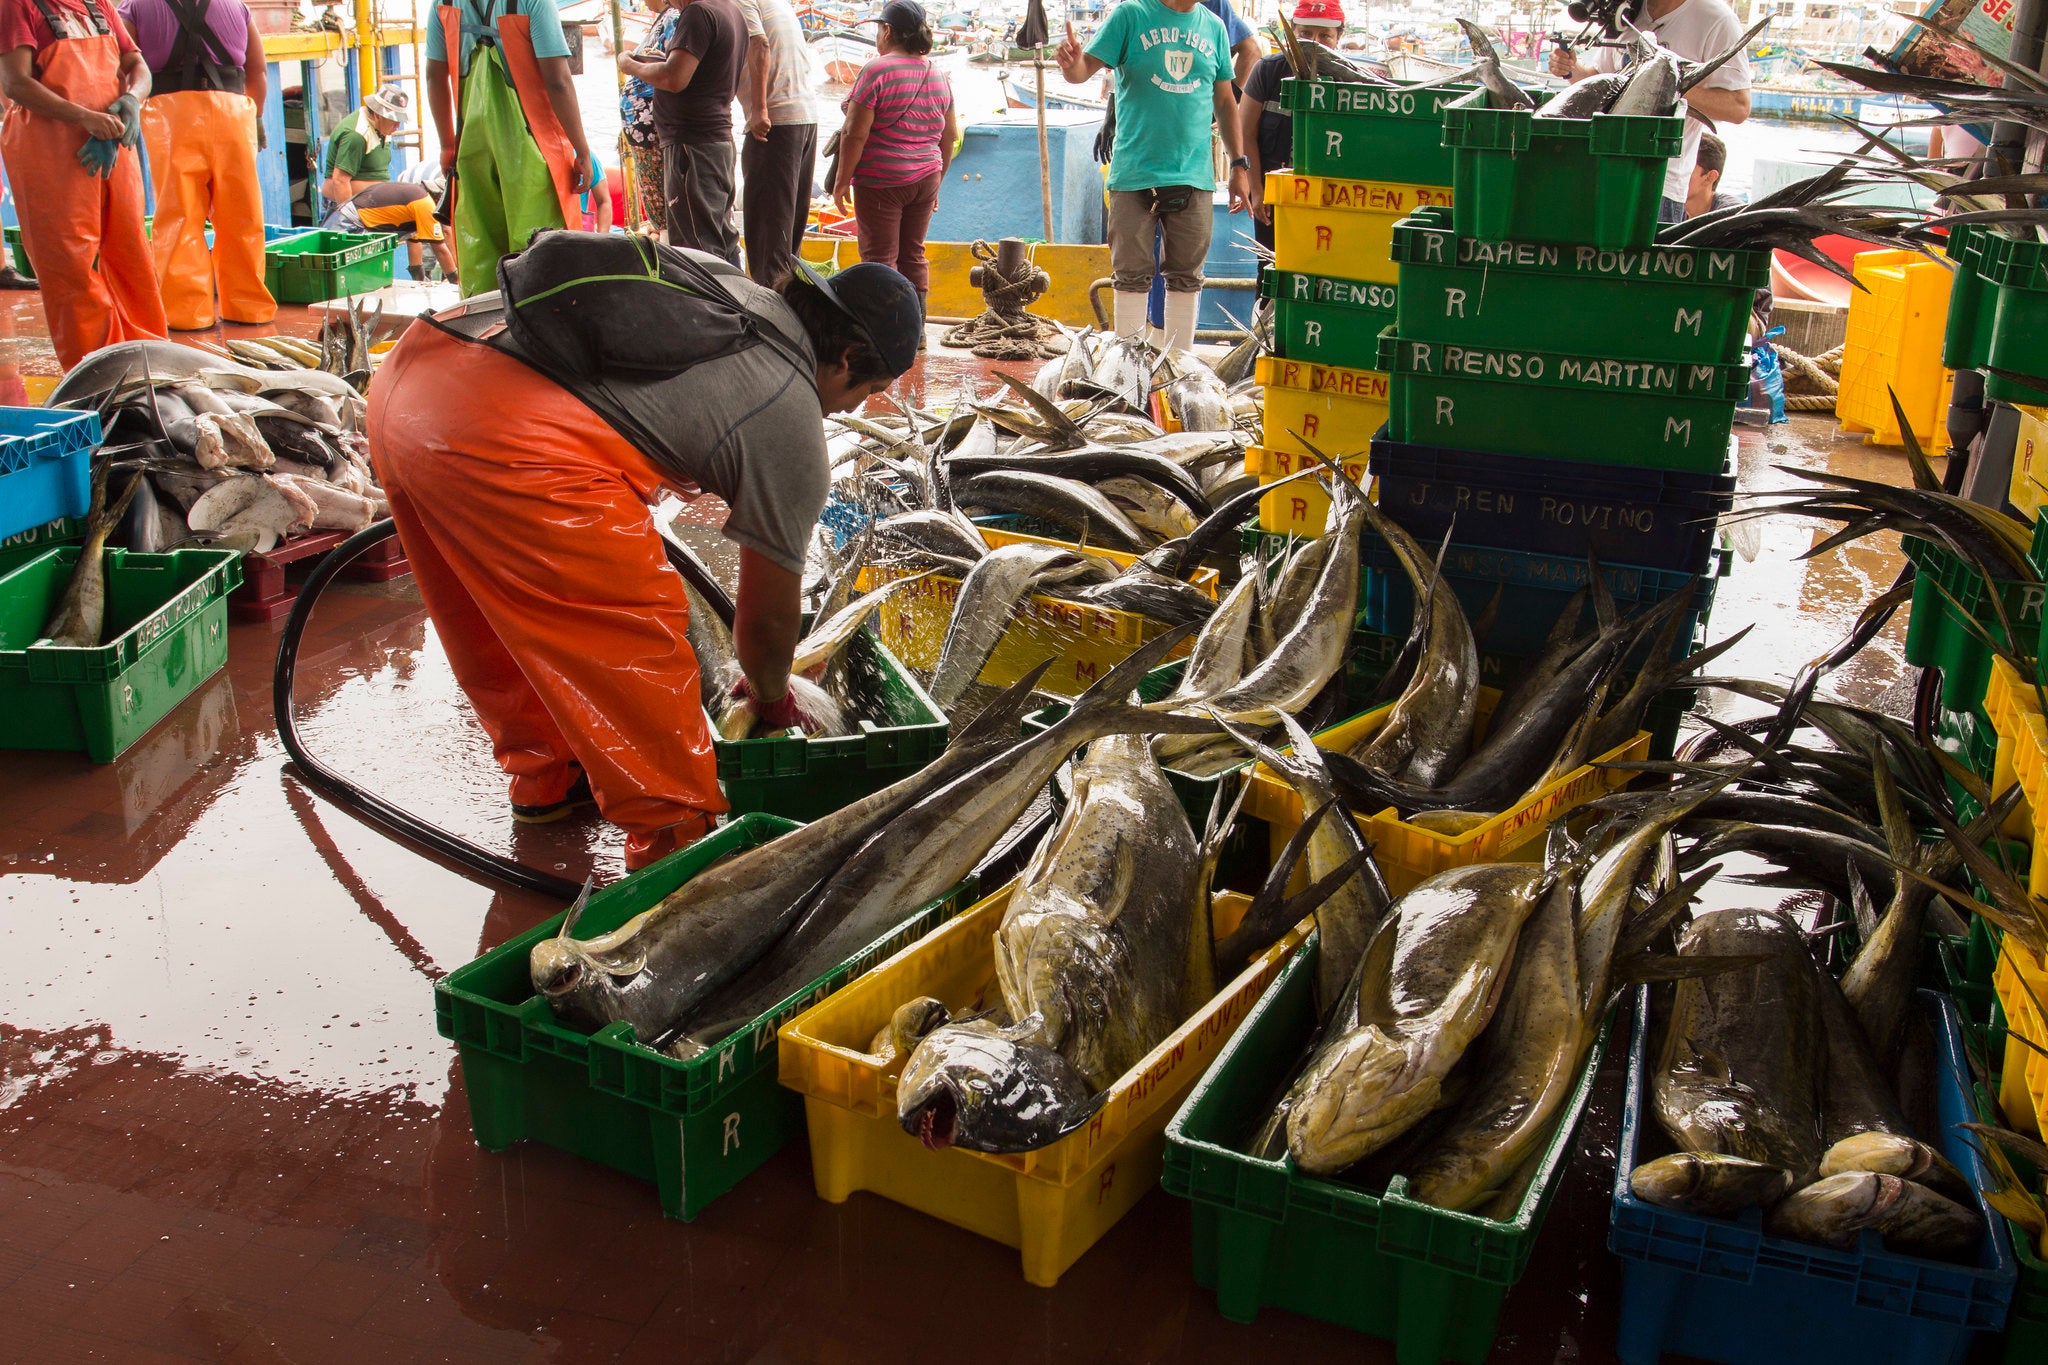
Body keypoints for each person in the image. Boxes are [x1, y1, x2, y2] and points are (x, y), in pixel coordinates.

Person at [368, 248, 921, 869]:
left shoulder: (730, 288)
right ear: (846, 357)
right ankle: (675, 846)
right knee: (632, 636)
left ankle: (548, 780)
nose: (854, 409)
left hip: (412, 375)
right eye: (869, 389)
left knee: (493, 621)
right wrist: (774, 699)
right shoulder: (791, 419)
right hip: (503, 434)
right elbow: (765, 624)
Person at [1058, 0, 1251, 352]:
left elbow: (1225, 101)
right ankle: (1126, 369)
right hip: (1134, 172)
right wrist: (1071, 65)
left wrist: (1239, 165)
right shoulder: (1130, 15)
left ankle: (1180, 365)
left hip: (1194, 175)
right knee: (1130, 277)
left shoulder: (1214, 26)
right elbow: (1082, 70)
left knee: (1187, 278)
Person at [0, 0, 167, 368]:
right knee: (71, 268)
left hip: (114, 146)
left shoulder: (99, 4)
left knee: (132, 254)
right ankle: (97, 375)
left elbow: (136, 64)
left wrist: (132, 99)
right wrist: (84, 118)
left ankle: (153, 367)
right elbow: (15, 83)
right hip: (50, 152)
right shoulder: (18, 5)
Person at [119, 0, 273, 330]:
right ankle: (248, 308)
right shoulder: (236, 6)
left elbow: (121, 67)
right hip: (234, 114)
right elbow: (258, 71)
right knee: (242, 216)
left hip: (170, 118)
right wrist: (257, 117)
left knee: (180, 217)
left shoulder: (135, 7)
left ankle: (188, 314)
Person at [425, 0, 592, 295]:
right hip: (532, 150)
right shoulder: (535, 2)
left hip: (470, 148)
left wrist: (447, 146)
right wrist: (582, 150)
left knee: (480, 256)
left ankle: (487, 333)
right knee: (543, 257)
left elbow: (434, 75)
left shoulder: (444, 3)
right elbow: (558, 80)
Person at [1549, 0, 1749, 225]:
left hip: (1657, 187)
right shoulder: (1625, 10)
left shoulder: (1716, 20)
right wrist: (1571, 69)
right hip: (1597, 177)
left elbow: (1738, 106)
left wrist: (1665, 80)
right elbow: (1604, 80)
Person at [832, 0, 952, 336]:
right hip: (926, 177)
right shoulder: (938, 73)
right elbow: (949, 135)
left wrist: (841, 183)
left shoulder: (876, 70)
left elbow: (854, 133)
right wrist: (937, 183)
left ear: (886, 31)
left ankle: (883, 335)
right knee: (913, 254)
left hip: (881, 180)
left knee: (879, 258)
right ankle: (917, 334)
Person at [618, 0, 746, 263]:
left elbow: (674, 77)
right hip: (714, 140)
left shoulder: (697, 12)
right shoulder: (730, 10)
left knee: (696, 249)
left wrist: (630, 65)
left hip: (693, 145)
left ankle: (711, 303)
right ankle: (735, 301)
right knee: (721, 239)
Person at [1240, 0, 1340, 255]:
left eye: (1324, 35)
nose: (1314, 41)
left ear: (1339, 37)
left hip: (1329, 200)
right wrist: (1257, 191)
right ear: (1291, 33)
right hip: (1275, 199)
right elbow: (1246, 133)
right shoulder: (1267, 71)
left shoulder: (1350, 80)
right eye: (1305, 33)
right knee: (1270, 270)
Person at [736, 0, 814, 285]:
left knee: (769, 247)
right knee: (785, 245)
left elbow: (760, 44)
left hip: (777, 122)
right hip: (803, 116)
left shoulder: (741, 2)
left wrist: (759, 109)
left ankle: (771, 325)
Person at [617, 0, 678, 232]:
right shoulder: (663, 18)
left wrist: (630, 63)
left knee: (665, 211)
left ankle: (668, 250)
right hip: (644, 133)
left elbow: (669, 67)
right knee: (659, 209)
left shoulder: (673, 17)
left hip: (653, 129)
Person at [336, 177, 461, 283]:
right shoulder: (425, 203)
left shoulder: (415, 196)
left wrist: (419, 279)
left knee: (364, 281)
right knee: (358, 281)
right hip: (352, 223)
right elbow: (440, 249)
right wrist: (456, 280)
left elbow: (413, 240)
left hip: (349, 218)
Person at [321, 84, 405, 211]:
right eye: (394, 120)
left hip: (370, 202)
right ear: (377, 115)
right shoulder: (356, 135)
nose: (398, 125)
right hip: (348, 203)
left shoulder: (383, 126)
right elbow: (340, 181)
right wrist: (348, 218)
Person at [1684, 129, 1738, 218]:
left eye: (1686, 168)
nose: (1677, 174)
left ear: (1709, 177)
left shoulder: (1732, 214)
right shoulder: (1670, 208)